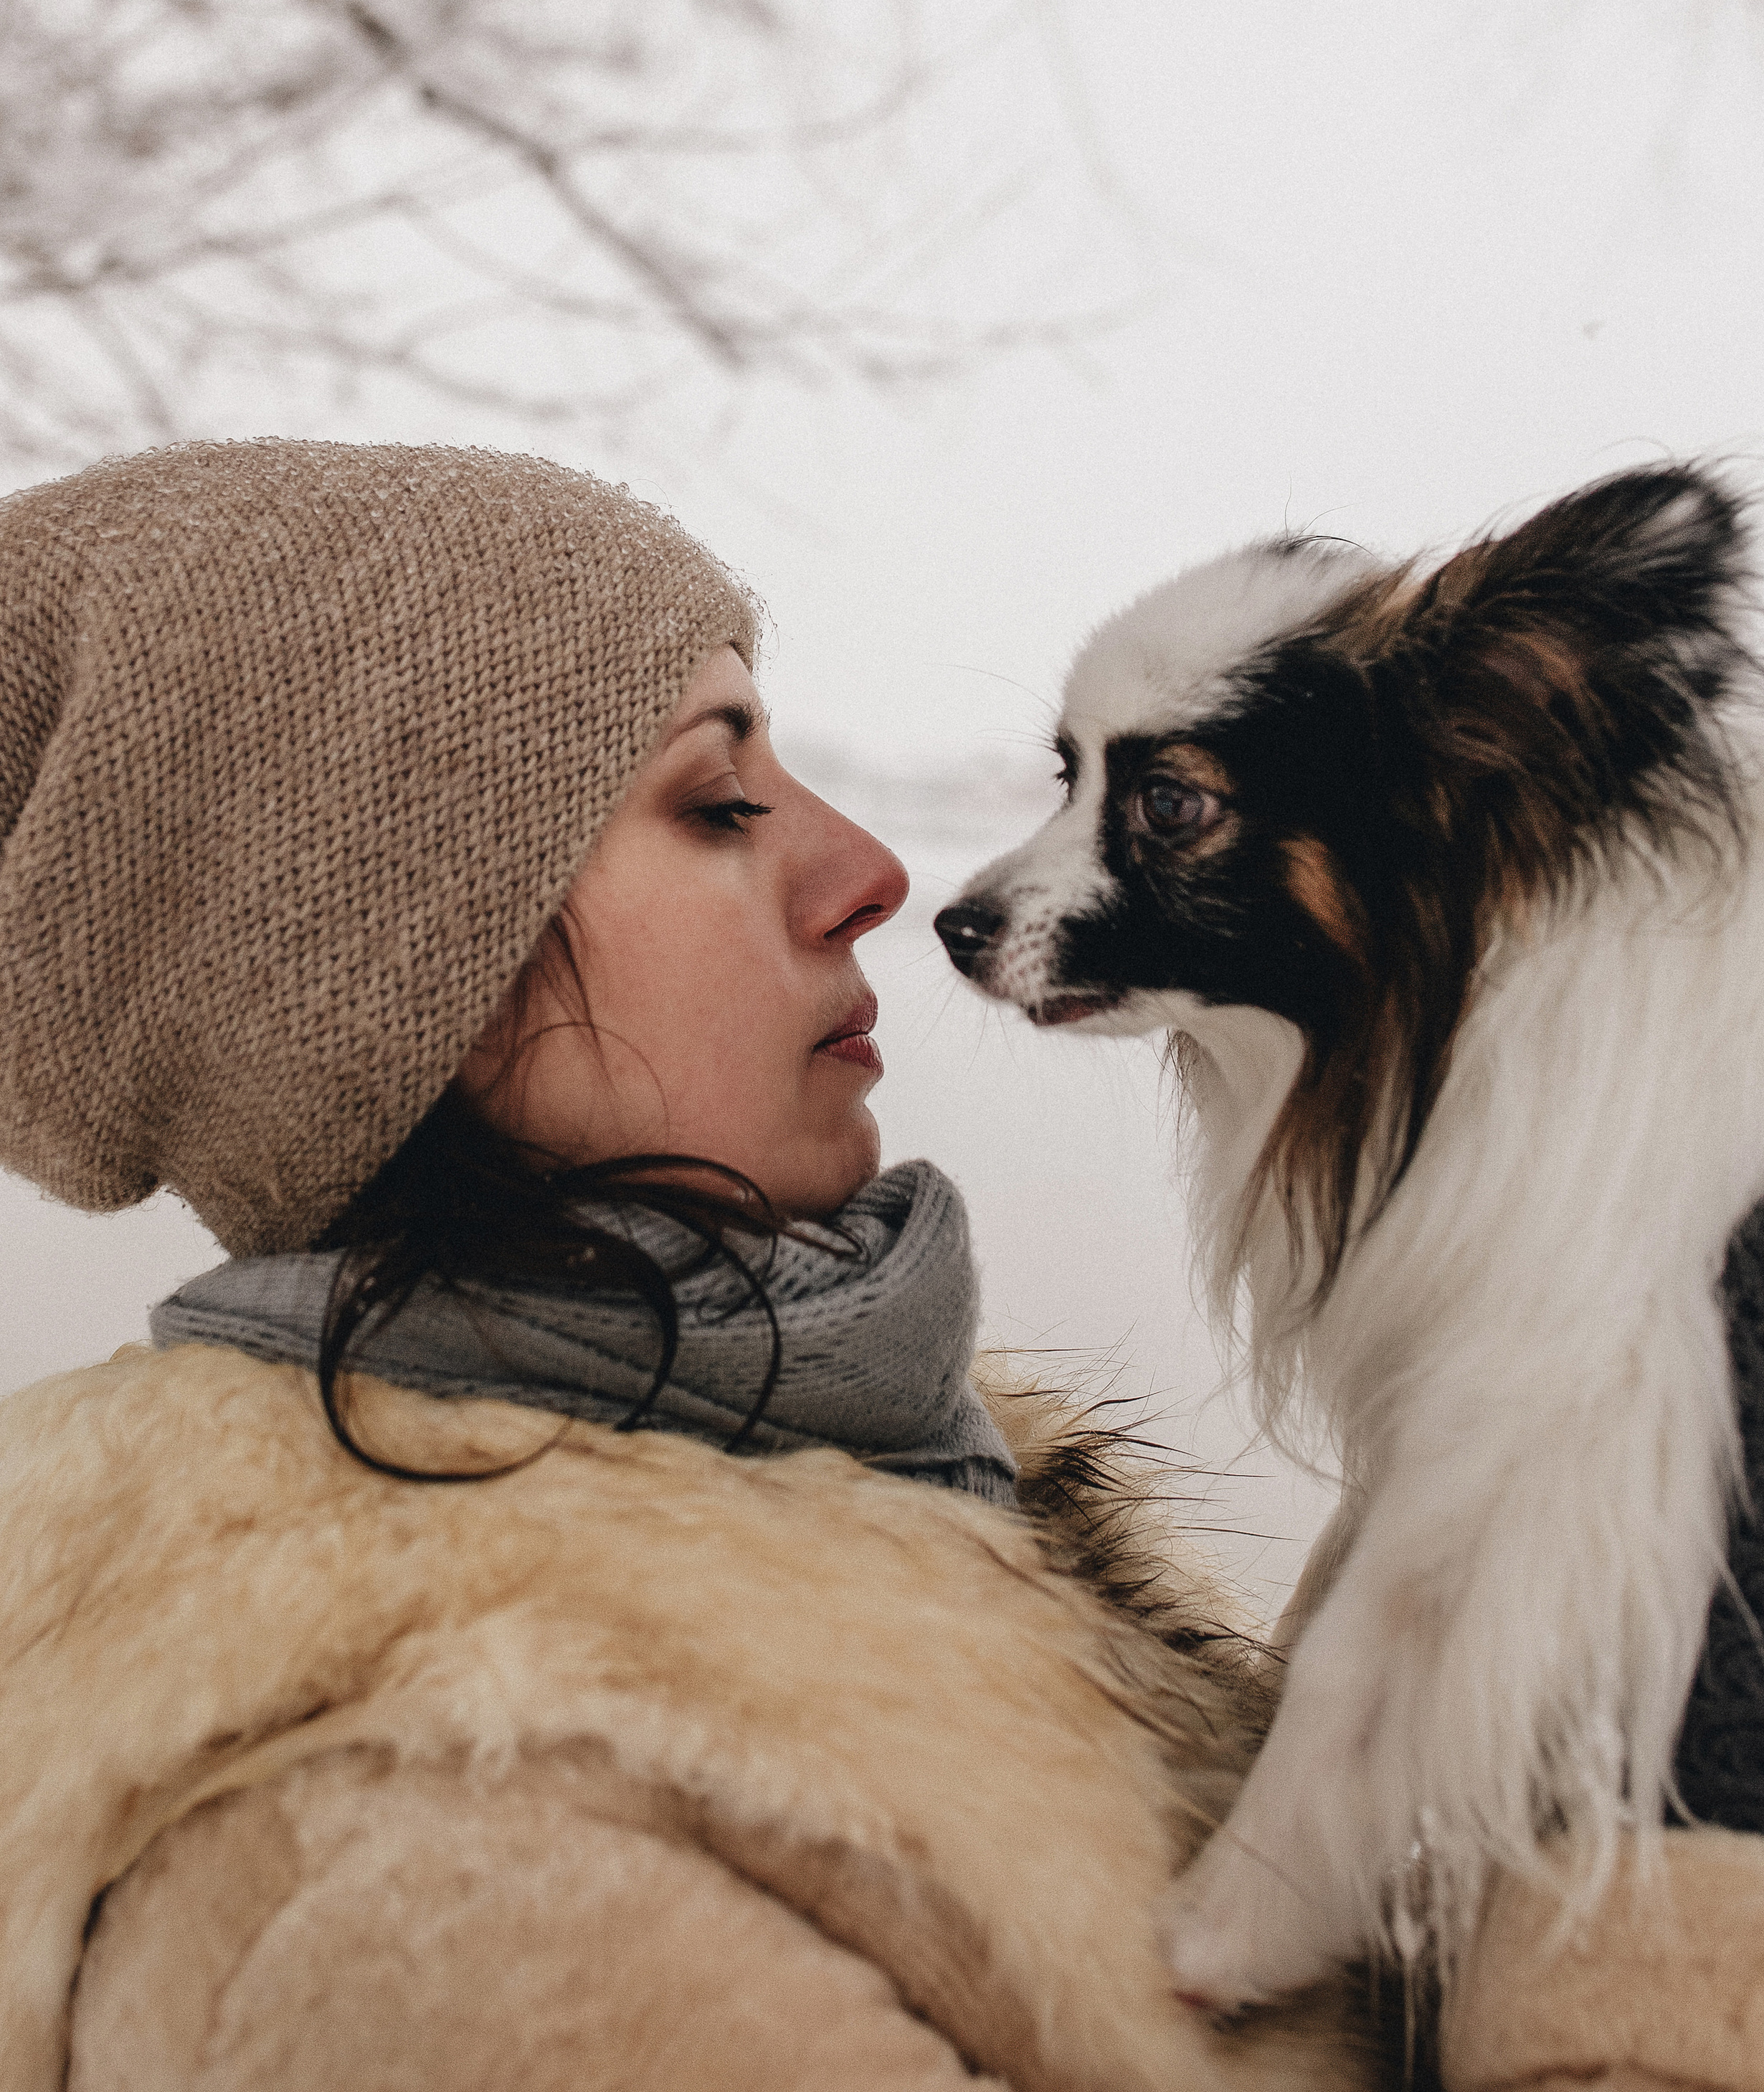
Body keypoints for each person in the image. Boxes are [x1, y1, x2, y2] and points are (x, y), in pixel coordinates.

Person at [0, 442, 1386, 2092]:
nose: (869, 872)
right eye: (718, 801)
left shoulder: (881, 1495)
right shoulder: (450, 1866)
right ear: (374, 974)